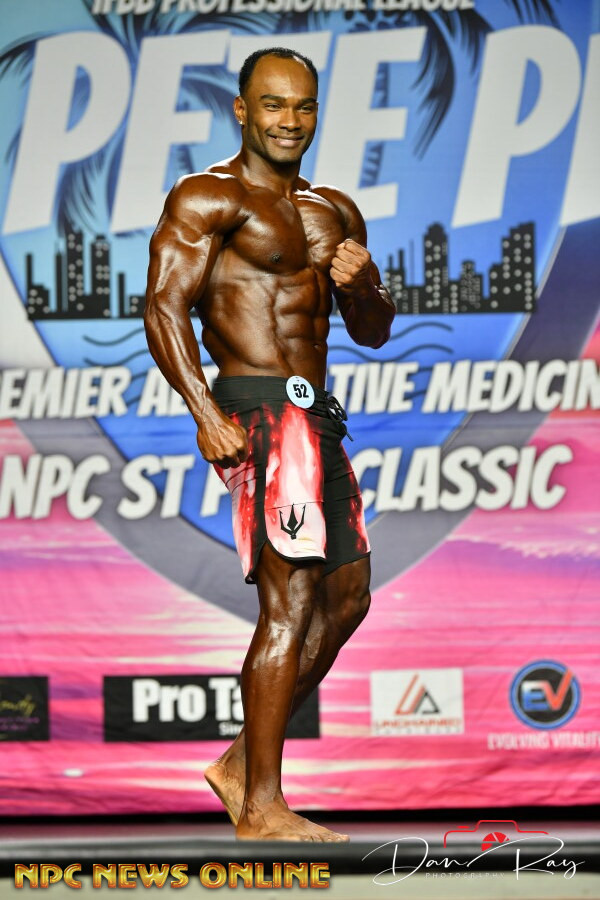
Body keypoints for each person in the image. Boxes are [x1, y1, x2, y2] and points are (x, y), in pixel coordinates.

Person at [144, 47, 395, 842]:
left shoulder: (334, 210)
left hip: (317, 415)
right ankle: (261, 806)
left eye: (304, 105)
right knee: (291, 599)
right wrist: (203, 410)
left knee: (347, 597)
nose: (290, 120)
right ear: (243, 110)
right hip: (256, 408)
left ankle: (236, 765)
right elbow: (163, 306)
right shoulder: (209, 196)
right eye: (274, 104)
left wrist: (362, 284)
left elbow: (371, 330)